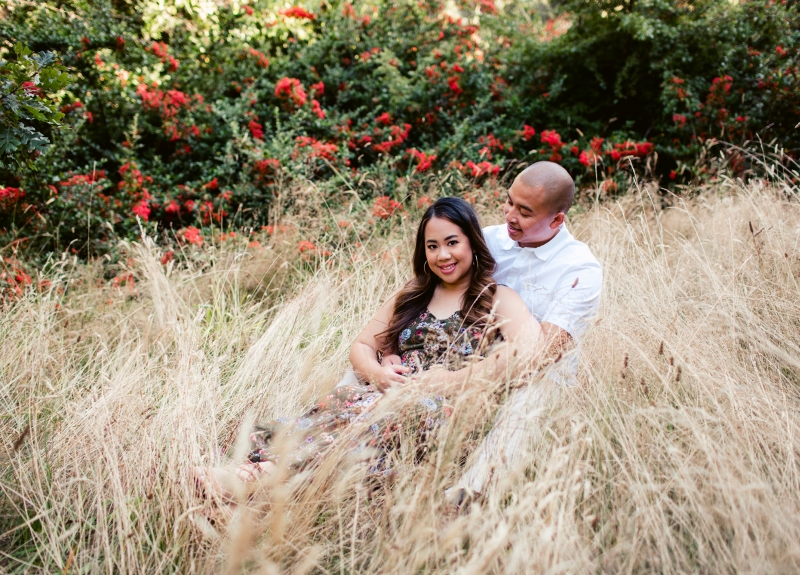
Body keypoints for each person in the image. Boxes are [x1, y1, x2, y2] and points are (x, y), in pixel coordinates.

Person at [193, 197, 542, 501]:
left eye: (452, 242)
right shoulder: (413, 293)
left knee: (375, 420)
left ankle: (253, 478)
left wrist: (448, 381)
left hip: (438, 412)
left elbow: (526, 350)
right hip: (384, 395)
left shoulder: (496, 298)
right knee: (342, 409)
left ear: (472, 242)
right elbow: (361, 345)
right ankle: (249, 477)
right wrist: (378, 373)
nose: (442, 255)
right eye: (432, 246)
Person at [447, 160, 603, 499]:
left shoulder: (580, 268)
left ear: (557, 219)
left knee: (533, 394)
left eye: (524, 211)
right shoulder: (487, 240)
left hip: (537, 371)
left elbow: (545, 352)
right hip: (472, 350)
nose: (509, 215)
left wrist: (464, 380)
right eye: (509, 202)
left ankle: (468, 497)